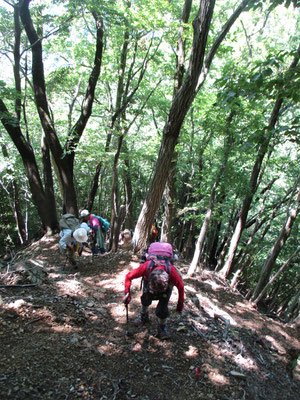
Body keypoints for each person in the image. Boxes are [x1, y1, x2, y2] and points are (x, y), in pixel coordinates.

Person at [123, 251, 184, 340]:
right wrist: (127, 293)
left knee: (163, 307)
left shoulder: (172, 272)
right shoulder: (146, 267)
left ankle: (162, 327)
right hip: (150, 280)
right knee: (146, 297)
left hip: (163, 286)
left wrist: (180, 305)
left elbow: (181, 287)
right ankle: (144, 315)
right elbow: (128, 276)